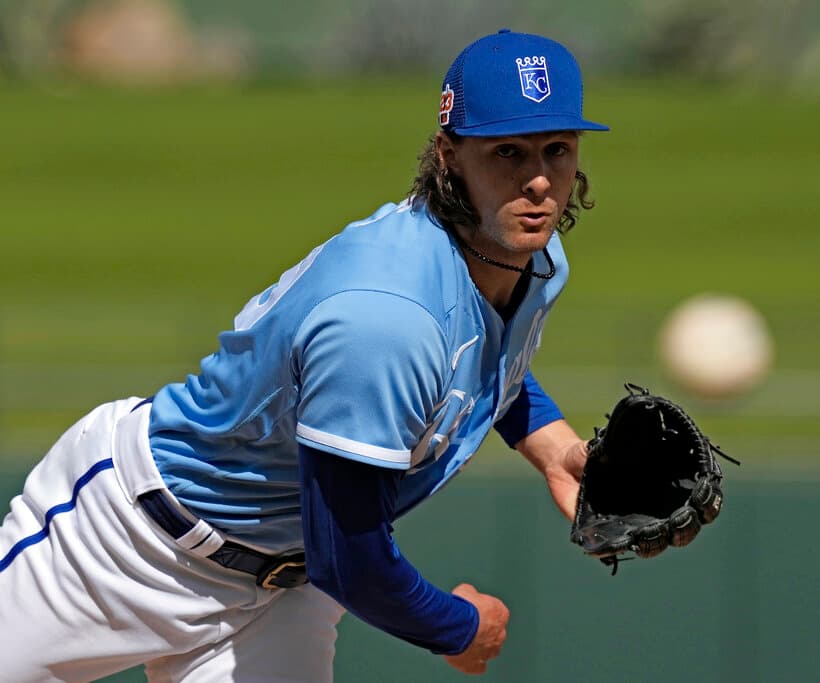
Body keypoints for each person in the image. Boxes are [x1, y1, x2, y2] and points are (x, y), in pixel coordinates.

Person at [0, 28, 608, 682]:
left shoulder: (532, 261)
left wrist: (551, 445)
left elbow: (480, 357)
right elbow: (349, 556)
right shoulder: (385, 317)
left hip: (281, 594)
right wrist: (458, 627)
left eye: (557, 150)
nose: (539, 181)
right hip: (128, 546)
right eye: (508, 152)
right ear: (449, 155)